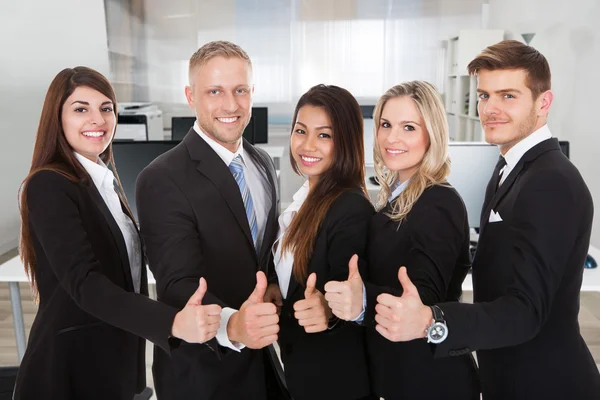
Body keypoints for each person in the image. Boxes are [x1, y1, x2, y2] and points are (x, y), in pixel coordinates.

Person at [365, 40, 600, 399]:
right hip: (508, 377)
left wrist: (433, 320)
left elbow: (526, 310)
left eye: (508, 96)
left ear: (543, 103)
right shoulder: (510, 169)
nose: (490, 108)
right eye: (484, 95)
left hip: (545, 383)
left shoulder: (550, 180)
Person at [13, 66, 220, 400]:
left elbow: (129, 268)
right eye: (81, 109)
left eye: (106, 108)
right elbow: (86, 283)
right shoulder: (49, 184)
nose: (97, 120)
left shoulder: (104, 181)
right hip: (70, 371)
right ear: (58, 118)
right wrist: (172, 323)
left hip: (116, 365)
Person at [136, 41, 288, 399]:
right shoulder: (161, 177)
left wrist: (275, 286)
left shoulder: (262, 163)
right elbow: (178, 282)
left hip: (265, 361)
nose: (230, 105)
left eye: (240, 90)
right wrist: (233, 325)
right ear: (191, 96)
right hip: (203, 373)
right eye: (215, 91)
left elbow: (259, 254)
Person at [324, 81, 480, 399]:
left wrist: (362, 300)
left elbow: (422, 302)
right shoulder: (398, 194)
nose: (392, 138)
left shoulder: (438, 201)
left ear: (431, 134)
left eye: (408, 127)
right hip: (399, 374)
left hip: (429, 381)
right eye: (386, 125)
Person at [273, 84, 375, 400]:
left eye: (324, 135)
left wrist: (328, 312)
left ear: (345, 142)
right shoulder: (305, 198)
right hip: (304, 373)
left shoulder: (350, 207)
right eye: (301, 131)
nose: (307, 145)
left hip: (336, 382)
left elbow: (347, 292)